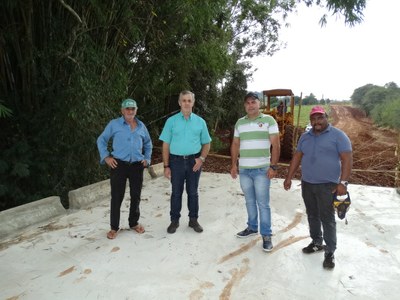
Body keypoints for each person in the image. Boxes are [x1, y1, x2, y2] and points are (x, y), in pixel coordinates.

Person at [283, 105, 352, 269]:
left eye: (320, 117)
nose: (317, 121)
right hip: (307, 184)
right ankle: (316, 242)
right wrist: (288, 177)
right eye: (313, 118)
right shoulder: (305, 137)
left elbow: (347, 159)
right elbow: (297, 157)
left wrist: (343, 183)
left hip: (328, 186)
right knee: (312, 215)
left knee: (327, 219)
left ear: (326, 117)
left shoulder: (338, 136)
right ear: (310, 121)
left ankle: (330, 252)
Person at [230, 92, 280, 252]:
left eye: (253, 102)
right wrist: (233, 165)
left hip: (261, 170)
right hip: (244, 170)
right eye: (248, 103)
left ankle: (266, 235)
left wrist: (273, 166)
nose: (250, 105)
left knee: (263, 204)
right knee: (249, 201)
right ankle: (252, 228)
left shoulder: (268, 121)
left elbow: (276, 144)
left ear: (260, 104)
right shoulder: (240, 123)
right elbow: (235, 144)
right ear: (245, 106)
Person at [97, 98, 152, 239]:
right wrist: (106, 157)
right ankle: (114, 227)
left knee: (136, 195)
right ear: (122, 110)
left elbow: (148, 143)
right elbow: (101, 140)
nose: (130, 111)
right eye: (127, 108)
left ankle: (134, 223)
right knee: (116, 196)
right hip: (118, 165)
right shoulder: (114, 124)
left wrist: (147, 158)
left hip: (137, 166)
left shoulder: (141, 126)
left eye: (132, 108)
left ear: (136, 110)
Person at [159, 90, 211, 234]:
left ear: (193, 103)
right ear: (179, 102)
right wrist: (166, 165)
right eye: (184, 100)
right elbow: (165, 145)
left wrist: (201, 159)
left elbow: (207, 143)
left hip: (193, 162)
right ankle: (174, 221)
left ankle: (193, 220)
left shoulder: (200, 122)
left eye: (189, 100)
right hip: (175, 162)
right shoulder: (171, 121)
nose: (186, 103)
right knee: (176, 193)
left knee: (193, 193)